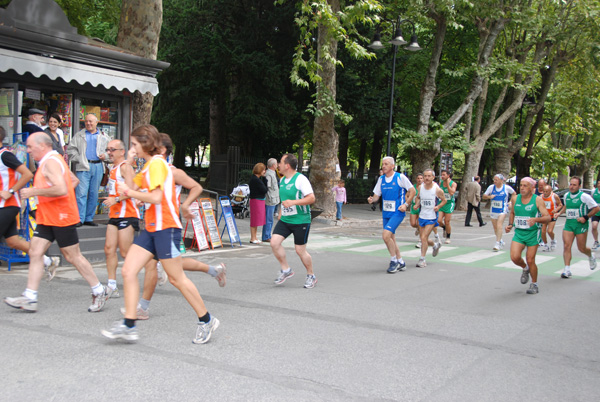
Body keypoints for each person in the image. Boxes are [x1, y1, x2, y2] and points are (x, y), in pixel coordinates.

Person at [101, 126, 219, 343]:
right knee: (128, 270)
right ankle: (129, 324)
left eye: (135, 145)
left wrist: (131, 193)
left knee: (176, 278)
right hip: (153, 228)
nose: (133, 148)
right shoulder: (147, 166)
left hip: (166, 227)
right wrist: (128, 164)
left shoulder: (156, 164)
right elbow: (130, 186)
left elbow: (154, 198)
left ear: (146, 144)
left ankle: (207, 319)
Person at [4, 133, 108, 312]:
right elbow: (72, 181)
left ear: (42, 146)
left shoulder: (51, 162)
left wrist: (35, 191)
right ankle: (30, 297)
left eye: (30, 147)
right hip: (48, 216)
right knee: (36, 252)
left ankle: (99, 290)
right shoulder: (54, 159)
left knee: (72, 256)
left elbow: (61, 188)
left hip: (61, 217)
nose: (28, 151)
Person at [132, 133, 226, 320]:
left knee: (173, 270)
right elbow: (146, 193)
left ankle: (206, 310)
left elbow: (196, 187)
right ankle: (141, 308)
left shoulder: (173, 171)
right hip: (154, 225)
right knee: (156, 266)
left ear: (163, 150)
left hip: (168, 224)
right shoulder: (152, 169)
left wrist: (184, 205)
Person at [0, 126, 60, 280]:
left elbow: (27, 174)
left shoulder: (5, 155)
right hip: (3, 205)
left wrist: (11, 191)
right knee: (13, 242)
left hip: (8, 204)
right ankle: (48, 260)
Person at [271, 153, 317, 288]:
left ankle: (311, 275)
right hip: (286, 220)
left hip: (301, 220)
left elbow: (311, 198)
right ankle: (286, 269)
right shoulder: (282, 180)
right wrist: (281, 210)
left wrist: (293, 202)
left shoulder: (301, 179)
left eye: (280, 162)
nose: (278, 165)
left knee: (300, 250)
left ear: (287, 165)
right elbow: (284, 199)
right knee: (274, 243)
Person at [101, 139, 140, 299]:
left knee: (125, 251)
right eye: (108, 149)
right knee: (109, 249)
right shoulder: (113, 168)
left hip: (127, 213)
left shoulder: (125, 167)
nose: (109, 152)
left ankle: (153, 262)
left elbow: (131, 190)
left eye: (112, 150)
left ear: (122, 152)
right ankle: (112, 285)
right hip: (114, 214)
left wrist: (115, 200)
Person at [367, 157, 415, 273]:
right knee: (391, 238)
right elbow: (376, 196)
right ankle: (401, 262)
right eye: (383, 164)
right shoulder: (381, 179)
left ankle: (393, 261)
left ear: (392, 166)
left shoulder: (400, 177)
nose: (383, 166)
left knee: (385, 236)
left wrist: (406, 204)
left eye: (386, 164)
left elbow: (413, 191)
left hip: (398, 212)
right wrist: (371, 199)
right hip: (386, 213)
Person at [505, 177, 551, 295]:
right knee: (514, 257)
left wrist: (536, 219)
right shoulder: (515, 199)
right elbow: (513, 213)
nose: (522, 188)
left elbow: (547, 218)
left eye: (525, 186)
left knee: (531, 259)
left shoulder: (537, 200)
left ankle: (534, 284)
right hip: (519, 233)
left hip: (532, 234)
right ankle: (525, 268)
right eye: (521, 185)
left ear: (532, 188)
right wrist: (510, 224)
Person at [66, 113, 110, 226]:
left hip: (98, 166)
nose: (88, 123)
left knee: (94, 193)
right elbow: (70, 150)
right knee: (81, 193)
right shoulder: (79, 135)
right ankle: (79, 219)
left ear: (96, 122)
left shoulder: (104, 136)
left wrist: (105, 155)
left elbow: (111, 150)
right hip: (83, 166)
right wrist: (79, 158)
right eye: (86, 121)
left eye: (91, 121)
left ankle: (89, 218)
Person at [559, 176, 599, 279]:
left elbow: (596, 208)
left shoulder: (584, 196)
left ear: (579, 186)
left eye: (574, 185)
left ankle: (590, 255)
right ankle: (567, 269)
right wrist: (558, 213)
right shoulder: (567, 195)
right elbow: (566, 206)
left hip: (580, 225)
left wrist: (585, 217)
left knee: (581, 248)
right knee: (567, 246)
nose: (571, 187)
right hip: (569, 224)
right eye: (570, 184)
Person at [413, 169, 446, 267]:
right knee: (424, 239)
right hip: (422, 215)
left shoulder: (437, 190)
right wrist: (417, 204)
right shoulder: (420, 187)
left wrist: (438, 207)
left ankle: (422, 259)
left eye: (428, 176)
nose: (426, 178)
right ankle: (435, 245)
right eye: (425, 176)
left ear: (433, 177)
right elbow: (419, 197)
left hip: (431, 217)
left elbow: (444, 200)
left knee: (423, 237)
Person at [483, 174, 515, 251]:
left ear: (501, 180)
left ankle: (497, 243)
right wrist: (489, 197)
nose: (494, 181)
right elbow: (484, 196)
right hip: (493, 210)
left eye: (496, 180)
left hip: (503, 210)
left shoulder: (506, 188)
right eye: (494, 179)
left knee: (499, 225)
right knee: (495, 228)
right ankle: (500, 241)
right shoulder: (491, 187)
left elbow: (514, 194)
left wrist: (510, 202)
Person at [539, 184, 563, 252]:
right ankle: (546, 245)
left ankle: (553, 240)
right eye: (544, 191)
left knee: (549, 231)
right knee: (542, 231)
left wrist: (556, 210)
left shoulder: (554, 196)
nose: (545, 193)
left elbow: (560, 205)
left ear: (550, 191)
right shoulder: (540, 197)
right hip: (544, 216)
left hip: (552, 216)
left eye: (547, 191)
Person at [249, 162, 268, 244]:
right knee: (254, 220)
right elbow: (265, 189)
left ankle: (255, 237)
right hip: (256, 200)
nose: (265, 171)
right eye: (263, 170)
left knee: (256, 220)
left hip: (258, 200)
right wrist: (265, 179)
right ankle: (253, 238)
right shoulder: (256, 180)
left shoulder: (256, 179)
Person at [262, 158, 280, 242]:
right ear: (273, 165)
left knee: (269, 218)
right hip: (271, 200)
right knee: (269, 219)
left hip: (273, 199)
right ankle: (266, 236)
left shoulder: (271, 173)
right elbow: (268, 187)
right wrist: (269, 198)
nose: (277, 165)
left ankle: (267, 235)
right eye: (276, 164)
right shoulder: (269, 174)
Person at [438, 170, 457, 244]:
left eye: (444, 175)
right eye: (441, 175)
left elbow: (451, 193)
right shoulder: (440, 183)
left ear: (448, 176)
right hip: (442, 203)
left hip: (449, 204)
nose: (442, 176)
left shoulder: (453, 184)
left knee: (447, 221)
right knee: (439, 220)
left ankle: (448, 237)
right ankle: (444, 228)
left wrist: (448, 184)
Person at [409, 173, 424, 248]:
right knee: (413, 223)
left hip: (421, 207)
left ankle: (420, 240)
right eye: (418, 178)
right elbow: (407, 195)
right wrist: (407, 202)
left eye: (421, 178)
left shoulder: (424, 187)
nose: (419, 180)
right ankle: (417, 228)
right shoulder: (413, 187)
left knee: (420, 224)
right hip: (413, 207)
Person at [591, 180, 600, 250]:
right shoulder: (594, 191)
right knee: (594, 227)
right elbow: (590, 200)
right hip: (596, 212)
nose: (599, 185)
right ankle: (596, 241)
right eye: (598, 183)